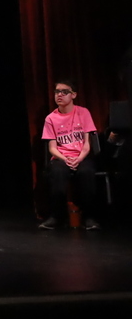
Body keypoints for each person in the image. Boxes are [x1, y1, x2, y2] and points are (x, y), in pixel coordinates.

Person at [39, 79, 99, 229]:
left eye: (64, 92)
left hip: (81, 156)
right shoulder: (50, 118)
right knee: (57, 173)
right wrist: (66, 159)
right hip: (61, 157)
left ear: (73, 95)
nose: (60, 95)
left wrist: (78, 159)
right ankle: (56, 218)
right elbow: (52, 147)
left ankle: (89, 218)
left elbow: (87, 143)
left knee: (86, 172)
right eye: (57, 91)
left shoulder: (83, 112)